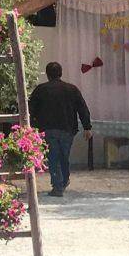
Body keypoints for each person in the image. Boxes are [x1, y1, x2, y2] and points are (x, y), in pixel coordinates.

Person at [28, 62, 91, 197]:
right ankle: (63, 180)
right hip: (67, 129)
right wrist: (87, 127)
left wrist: (31, 126)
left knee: (53, 157)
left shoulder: (41, 90)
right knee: (64, 155)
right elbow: (82, 108)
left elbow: (31, 109)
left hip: (48, 129)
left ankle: (58, 185)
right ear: (60, 73)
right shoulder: (72, 89)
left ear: (47, 74)